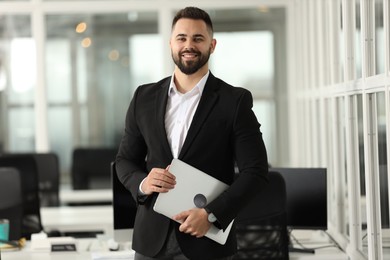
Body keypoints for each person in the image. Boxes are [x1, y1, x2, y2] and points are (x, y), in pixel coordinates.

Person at [115, 6, 269, 260]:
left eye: (198, 38)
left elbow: (256, 172)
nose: (189, 45)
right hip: (152, 242)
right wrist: (143, 182)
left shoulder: (234, 100)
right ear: (171, 44)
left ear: (212, 44)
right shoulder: (144, 96)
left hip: (207, 242)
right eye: (182, 38)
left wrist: (211, 214)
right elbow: (125, 161)